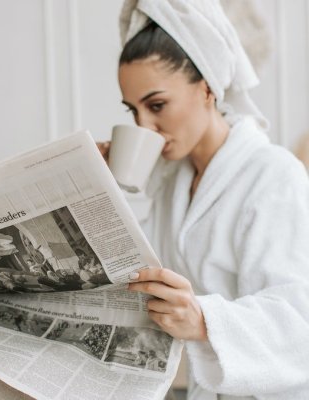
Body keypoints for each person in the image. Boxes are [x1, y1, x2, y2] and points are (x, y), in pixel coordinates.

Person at [98, 1, 309, 399]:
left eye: (157, 105)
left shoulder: (274, 175)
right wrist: (97, 189)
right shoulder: (175, 181)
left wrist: (202, 320)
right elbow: (133, 272)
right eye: (134, 111)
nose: (145, 127)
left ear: (207, 87)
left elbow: (299, 322)